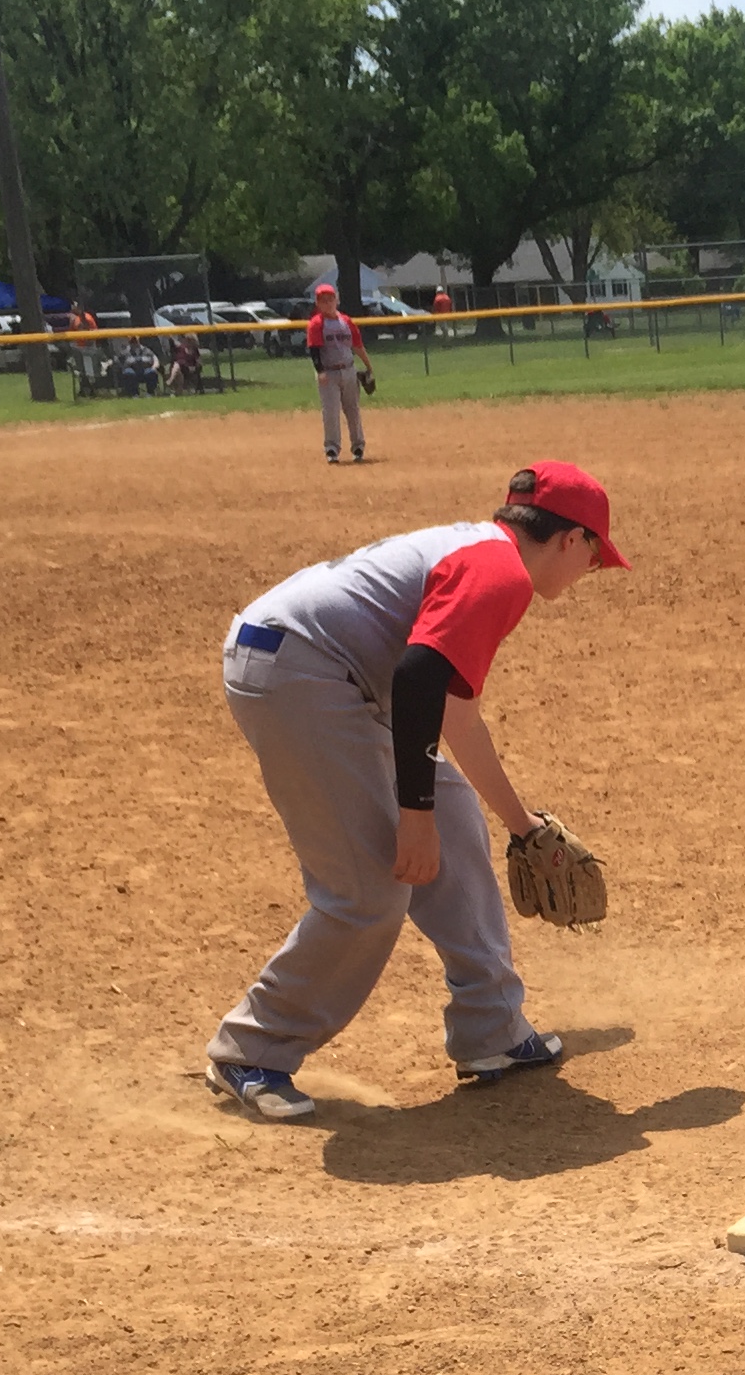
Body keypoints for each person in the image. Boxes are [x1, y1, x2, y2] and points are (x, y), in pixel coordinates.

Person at [203, 462, 629, 1120]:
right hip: (299, 674)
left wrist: (522, 825)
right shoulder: (502, 573)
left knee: (457, 822)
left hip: (317, 668)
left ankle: (493, 1032)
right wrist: (413, 815)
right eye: (595, 557)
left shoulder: (486, 554)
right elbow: (419, 678)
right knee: (371, 887)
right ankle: (251, 1050)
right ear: (570, 539)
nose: (591, 574)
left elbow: (456, 717)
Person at [307, 284, 365, 464]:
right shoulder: (316, 323)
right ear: (318, 303)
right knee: (331, 412)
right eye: (323, 301)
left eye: (331, 299)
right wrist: (320, 371)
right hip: (329, 374)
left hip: (348, 369)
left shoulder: (346, 321)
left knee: (353, 410)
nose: (328, 303)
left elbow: (357, 345)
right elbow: (314, 350)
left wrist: (368, 366)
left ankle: (358, 445)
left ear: (337, 300)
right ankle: (332, 448)